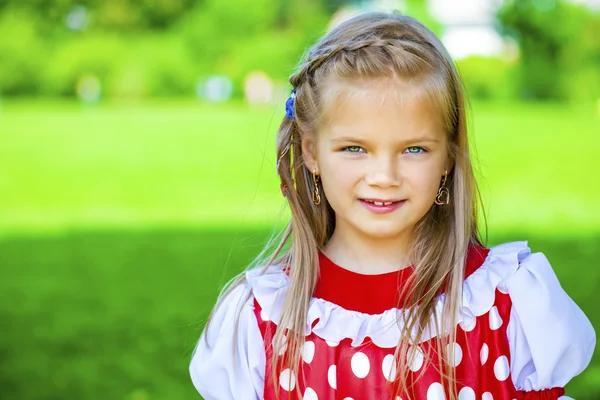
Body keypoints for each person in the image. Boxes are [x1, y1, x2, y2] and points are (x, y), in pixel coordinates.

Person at [189, 11, 596, 400]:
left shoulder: (504, 302)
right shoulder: (262, 318)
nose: (384, 175)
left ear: (448, 158)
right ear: (311, 152)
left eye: (414, 149)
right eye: (354, 149)